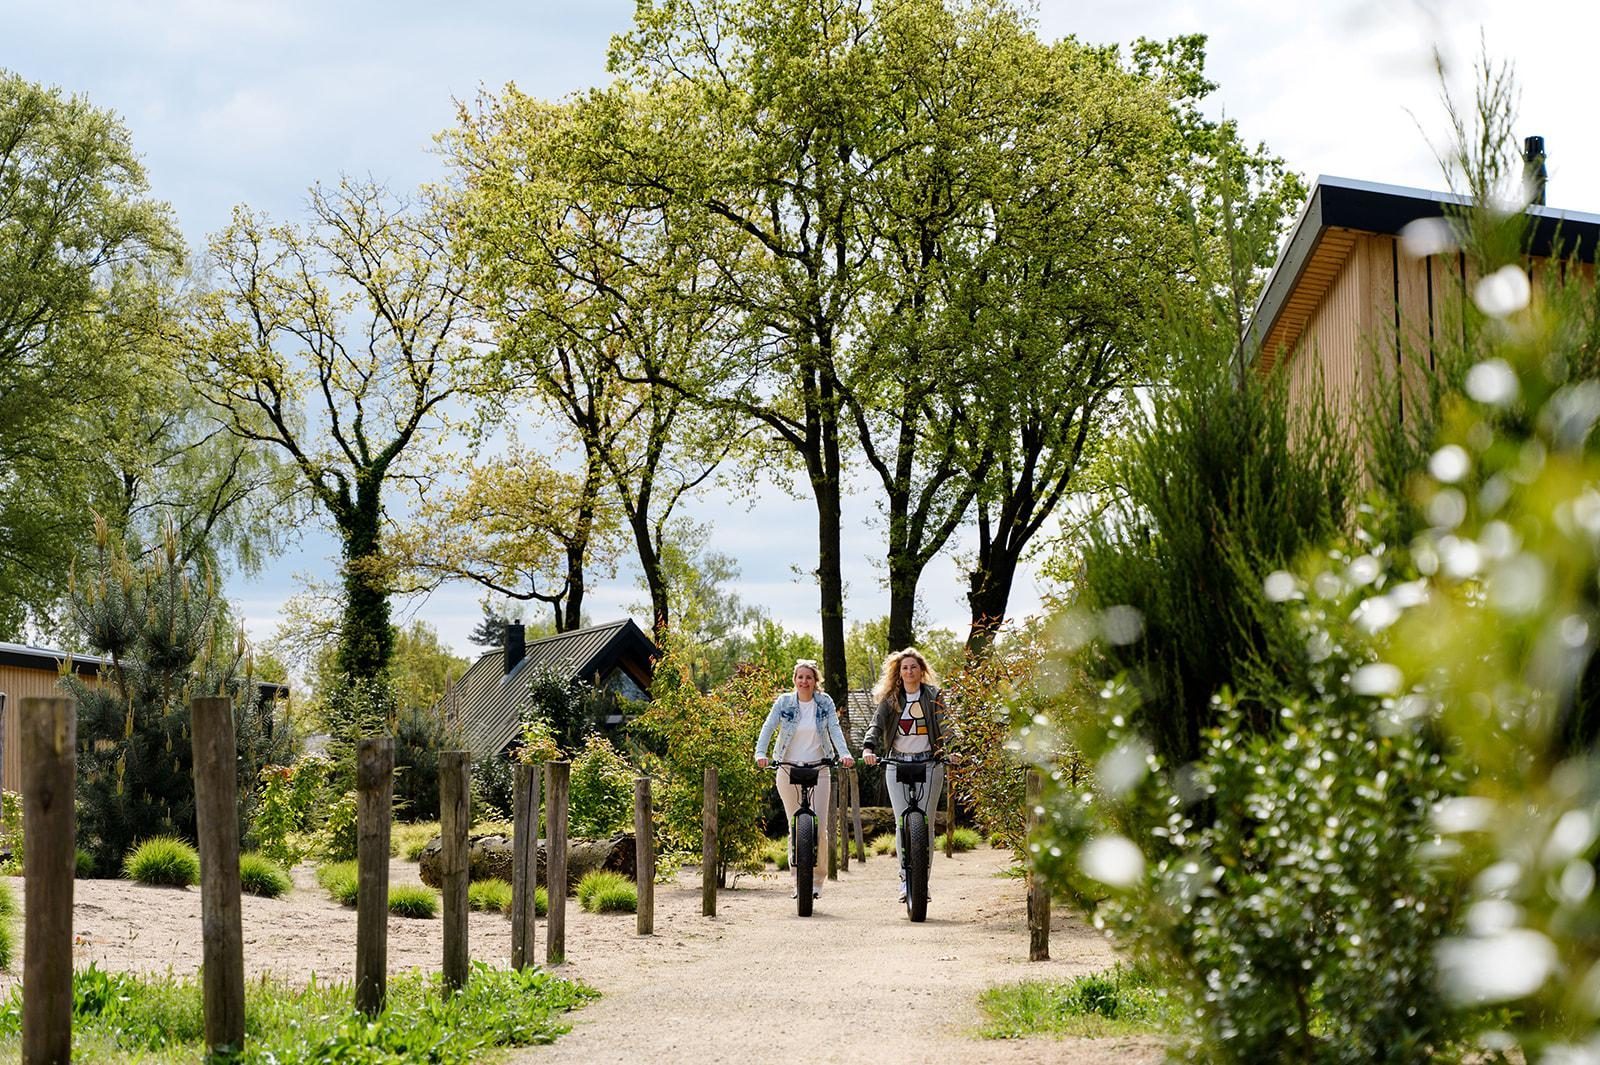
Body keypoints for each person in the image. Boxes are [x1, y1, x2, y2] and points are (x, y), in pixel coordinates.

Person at [754, 659, 855, 898]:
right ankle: (798, 881)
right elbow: (768, 727)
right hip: (788, 767)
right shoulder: (784, 702)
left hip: (819, 768)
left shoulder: (825, 702)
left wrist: (844, 754)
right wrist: (761, 753)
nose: (804, 681)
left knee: (819, 829)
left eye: (808, 677)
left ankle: (817, 883)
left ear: (815, 680)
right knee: (795, 826)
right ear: (794, 680)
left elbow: (834, 729)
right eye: (800, 677)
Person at [861, 647, 946, 903]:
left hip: (930, 763)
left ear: (922, 671)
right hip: (896, 763)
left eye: (914, 667)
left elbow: (946, 725)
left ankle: (923, 884)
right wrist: (868, 747)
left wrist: (953, 750)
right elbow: (876, 725)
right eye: (904, 667)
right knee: (902, 822)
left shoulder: (933, 696)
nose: (909, 671)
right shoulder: (891, 698)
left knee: (926, 824)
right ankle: (904, 880)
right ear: (899, 673)